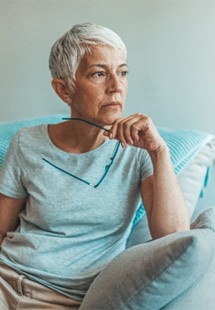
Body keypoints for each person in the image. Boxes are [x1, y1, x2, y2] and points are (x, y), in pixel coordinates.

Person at [0, 22, 190, 309]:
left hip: (64, 298)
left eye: (122, 73)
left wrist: (159, 152)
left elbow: (174, 238)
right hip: (6, 276)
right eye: (99, 74)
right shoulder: (26, 142)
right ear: (64, 90)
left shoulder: (140, 152)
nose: (116, 86)